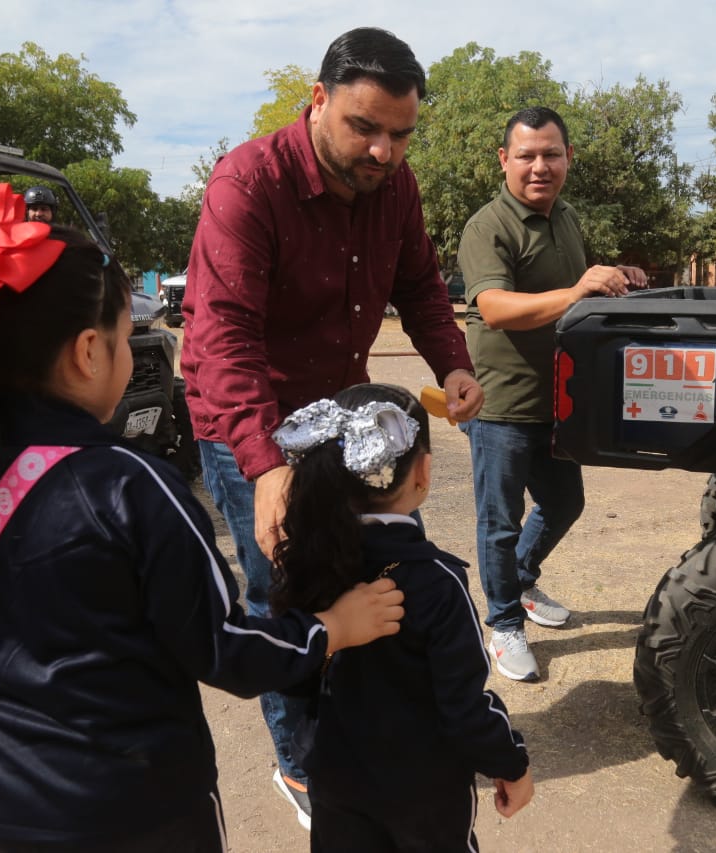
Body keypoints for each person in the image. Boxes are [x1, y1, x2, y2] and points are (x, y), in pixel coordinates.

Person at [0, 183, 405, 850]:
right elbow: (222, 647)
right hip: (133, 811)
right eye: (122, 337)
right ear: (88, 352)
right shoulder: (129, 484)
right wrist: (329, 628)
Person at [181, 26, 484, 827]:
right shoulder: (247, 183)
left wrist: (452, 360)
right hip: (247, 424)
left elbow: (421, 284)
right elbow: (223, 333)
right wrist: (264, 465)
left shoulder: (397, 186)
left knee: (359, 576)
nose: (384, 152)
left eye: (400, 134)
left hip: (336, 423)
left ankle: (355, 731)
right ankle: (304, 764)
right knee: (287, 589)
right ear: (317, 100)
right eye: (365, 127)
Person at [270, 383, 532, 850]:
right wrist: (511, 762)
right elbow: (465, 709)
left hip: (334, 780)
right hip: (424, 793)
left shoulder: (303, 565)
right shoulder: (436, 582)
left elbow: (287, 677)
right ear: (423, 472)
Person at [457, 107, 645, 682]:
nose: (540, 167)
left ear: (567, 159)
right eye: (527, 155)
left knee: (565, 503)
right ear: (504, 160)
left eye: (551, 154)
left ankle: (520, 581)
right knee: (500, 521)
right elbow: (493, 308)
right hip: (501, 406)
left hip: (556, 402)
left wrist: (611, 274)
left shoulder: (565, 218)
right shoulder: (488, 227)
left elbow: (571, 286)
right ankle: (505, 622)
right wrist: (577, 288)